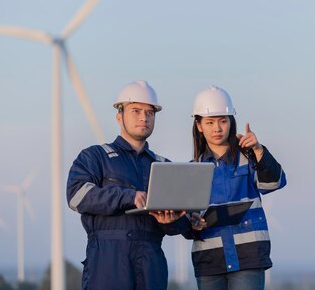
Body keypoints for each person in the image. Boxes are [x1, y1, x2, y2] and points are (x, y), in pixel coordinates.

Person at [66, 80, 190, 290]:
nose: (144, 117)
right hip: (107, 264)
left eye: (150, 113)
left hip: (151, 266)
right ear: (119, 115)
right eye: (136, 110)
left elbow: (181, 226)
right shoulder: (95, 157)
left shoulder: (164, 166)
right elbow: (76, 196)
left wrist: (172, 220)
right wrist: (127, 196)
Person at [186, 85, 287, 290]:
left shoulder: (249, 157)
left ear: (231, 122)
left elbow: (274, 182)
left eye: (223, 121)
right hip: (210, 260)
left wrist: (259, 150)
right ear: (199, 125)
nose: (217, 128)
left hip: (248, 258)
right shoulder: (192, 170)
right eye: (210, 122)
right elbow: (187, 217)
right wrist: (191, 222)